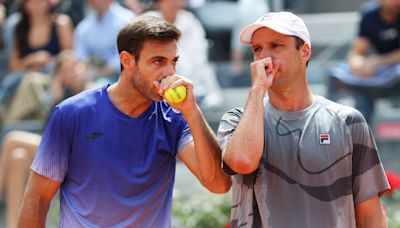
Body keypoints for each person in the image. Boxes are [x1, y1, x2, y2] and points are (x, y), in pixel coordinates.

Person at [17, 16, 231, 227]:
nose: (169, 72)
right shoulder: (71, 114)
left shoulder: (175, 118)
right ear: (127, 61)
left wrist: (192, 111)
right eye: (158, 61)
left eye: (173, 62)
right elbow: (37, 199)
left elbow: (219, 184)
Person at [218, 11, 390, 227]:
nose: (264, 57)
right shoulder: (236, 120)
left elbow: (370, 216)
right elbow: (242, 161)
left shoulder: (348, 122)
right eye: (257, 49)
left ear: (305, 51)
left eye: (276, 45)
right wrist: (258, 89)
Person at [328, 0, 400, 123]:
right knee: (337, 75)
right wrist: (357, 62)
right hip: (383, 71)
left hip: (392, 69)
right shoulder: (370, 14)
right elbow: (358, 50)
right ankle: (347, 129)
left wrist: (376, 62)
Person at [145, 0, 223, 111]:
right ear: (159, 2)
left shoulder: (189, 19)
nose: (174, 3)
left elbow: (200, 49)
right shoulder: (147, 19)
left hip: (191, 73)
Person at [74, 0, 134, 86]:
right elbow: (80, 56)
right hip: (91, 75)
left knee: (98, 86)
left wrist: (103, 71)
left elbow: (129, 54)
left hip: (120, 76)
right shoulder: (84, 26)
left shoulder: (126, 19)